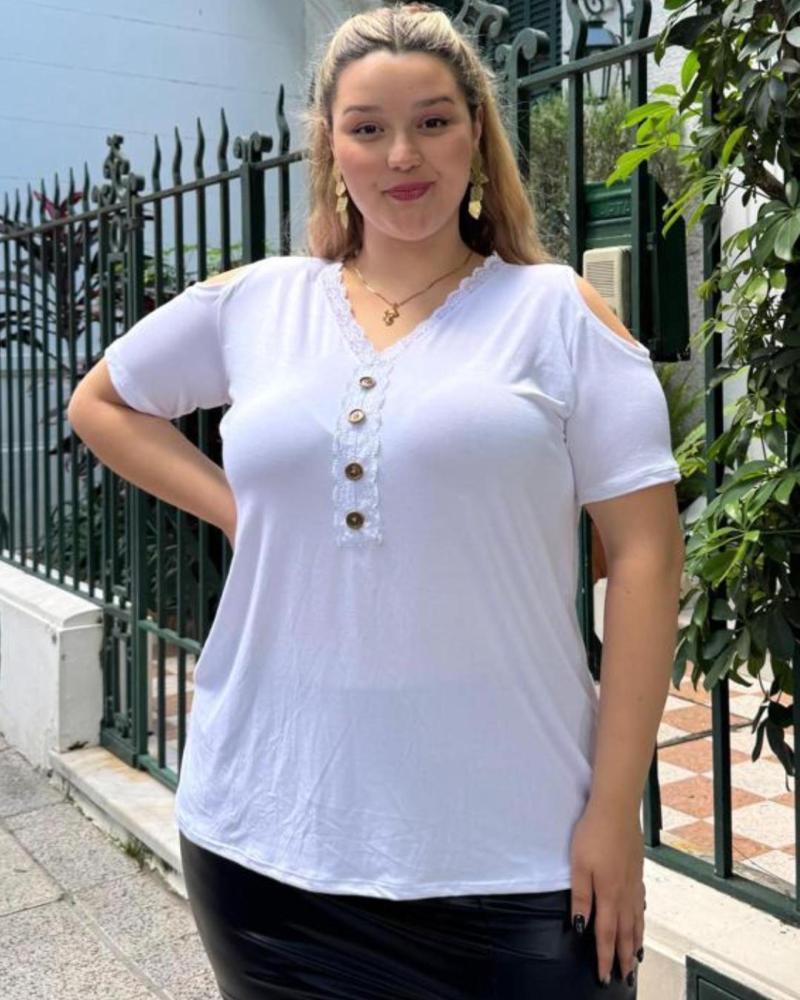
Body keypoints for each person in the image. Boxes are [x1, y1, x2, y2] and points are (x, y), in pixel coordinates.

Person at [67, 4, 685, 997]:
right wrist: (237, 511)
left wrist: (614, 813)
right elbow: (102, 402)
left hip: (517, 853)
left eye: (433, 121)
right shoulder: (257, 303)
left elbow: (647, 555)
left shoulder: (557, 314)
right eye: (368, 127)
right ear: (330, 146)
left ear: (476, 132)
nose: (403, 154)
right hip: (263, 845)